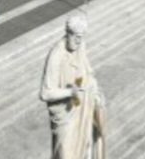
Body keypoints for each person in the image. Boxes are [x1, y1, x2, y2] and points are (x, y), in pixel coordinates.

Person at [40, 16, 107, 159]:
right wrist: (70, 92)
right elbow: (45, 93)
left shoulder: (80, 45)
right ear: (68, 34)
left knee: (85, 150)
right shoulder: (56, 55)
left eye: (81, 38)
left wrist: (94, 90)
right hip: (65, 116)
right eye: (76, 37)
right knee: (65, 154)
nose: (78, 41)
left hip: (82, 108)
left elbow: (87, 72)